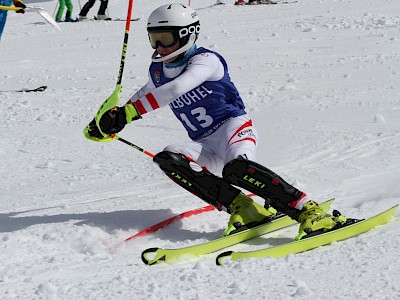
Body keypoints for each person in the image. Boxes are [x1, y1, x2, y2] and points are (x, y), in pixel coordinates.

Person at [84, 3, 346, 239]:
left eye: (165, 39)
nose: (159, 47)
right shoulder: (158, 70)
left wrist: (128, 114)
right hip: (204, 143)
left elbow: (176, 89)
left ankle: (308, 209)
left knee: (237, 169)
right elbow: (144, 95)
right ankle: (242, 207)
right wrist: (107, 121)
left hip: (233, 129)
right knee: (168, 158)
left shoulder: (206, 60)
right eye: (154, 40)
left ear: (186, 35)